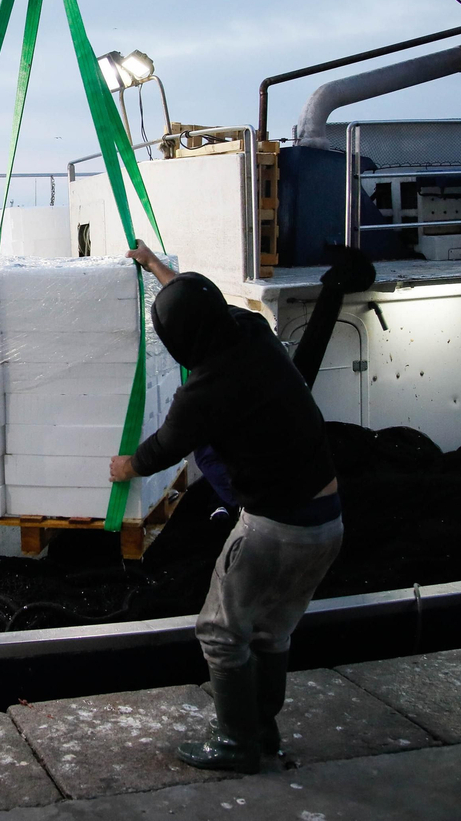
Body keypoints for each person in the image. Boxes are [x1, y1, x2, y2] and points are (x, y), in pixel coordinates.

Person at [110, 243, 341, 774]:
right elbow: (198, 300)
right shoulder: (253, 332)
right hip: (328, 523)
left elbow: (164, 446)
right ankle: (264, 732)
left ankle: (236, 742)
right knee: (271, 632)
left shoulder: (205, 389)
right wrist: (155, 266)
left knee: (219, 631)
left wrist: (126, 467)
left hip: (274, 529)